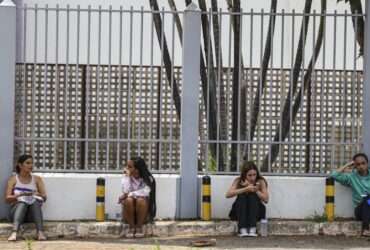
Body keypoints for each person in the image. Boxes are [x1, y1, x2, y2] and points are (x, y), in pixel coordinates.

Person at [5, 154, 47, 241]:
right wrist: (20, 195)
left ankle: (40, 233)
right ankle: (14, 232)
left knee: (34, 201)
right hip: (16, 213)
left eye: (32, 163)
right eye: (27, 163)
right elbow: (7, 199)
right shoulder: (13, 179)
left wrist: (37, 195)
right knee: (23, 202)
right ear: (20, 165)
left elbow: (45, 197)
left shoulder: (37, 179)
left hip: (31, 215)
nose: (31, 166)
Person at [331, 152, 370, 236]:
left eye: (363, 163)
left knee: (368, 198)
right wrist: (347, 164)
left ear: (367, 163)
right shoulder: (351, 177)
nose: (361, 166)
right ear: (355, 166)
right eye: (358, 164)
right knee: (367, 198)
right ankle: (366, 229)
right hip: (360, 211)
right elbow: (334, 175)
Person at [226, 161, 269, 237]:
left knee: (252, 196)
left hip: (256, 212)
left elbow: (266, 199)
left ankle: (253, 228)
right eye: (249, 175)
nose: (252, 178)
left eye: (254, 175)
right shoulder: (238, 180)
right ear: (244, 175)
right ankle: (242, 229)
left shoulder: (260, 181)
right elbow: (228, 194)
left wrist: (256, 190)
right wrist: (245, 189)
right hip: (240, 212)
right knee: (242, 196)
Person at [118, 157, 156, 238]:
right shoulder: (126, 177)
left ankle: (139, 228)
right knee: (128, 200)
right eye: (127, 166)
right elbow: (125, 191)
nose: (127, 169)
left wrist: (130, 194)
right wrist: (127, 177)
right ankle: (132, 227)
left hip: (143, 212)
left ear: (137, 169)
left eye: (130, 167)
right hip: (129, 213)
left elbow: (145, 192)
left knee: (140, 200)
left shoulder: (148, 178)